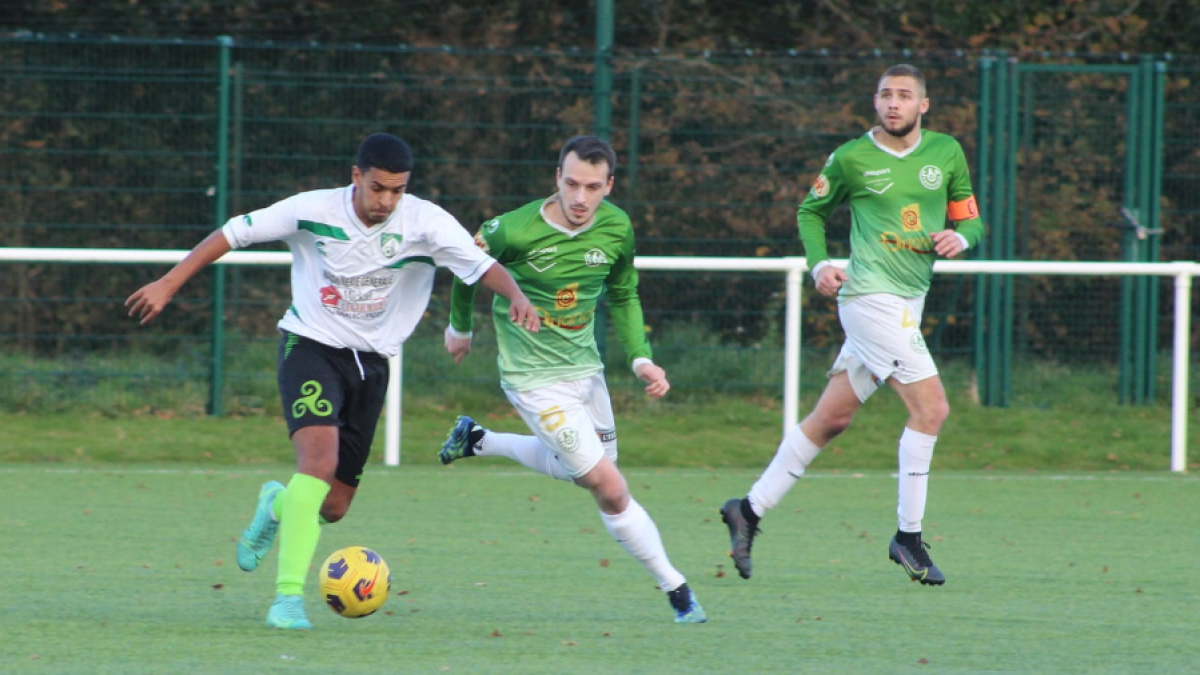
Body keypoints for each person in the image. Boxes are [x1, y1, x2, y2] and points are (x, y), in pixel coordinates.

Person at [125, 133, 540, 630]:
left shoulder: (426, 222)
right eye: (377, 188)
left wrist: (517, 296)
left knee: (334, 506)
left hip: (372, 365)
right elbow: (233, 233)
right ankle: (286, 600)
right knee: (317, 465)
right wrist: (168, 282)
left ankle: (276, 505)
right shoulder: (313, 209)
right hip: (310, 346)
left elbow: (483, 266)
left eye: (397, 190)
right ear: (356, 176)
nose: (386, 201)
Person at [720, 64, 985, 586]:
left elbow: (970, 218)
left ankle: (747, 510)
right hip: (868, 298)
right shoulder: (851, 157)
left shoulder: (946, 152)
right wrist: (819, 264)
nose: (893, 103)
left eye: (904, 95)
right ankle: (908, 537)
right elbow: (810, 212)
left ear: (923, 105)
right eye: (886, 94)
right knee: (931, 408)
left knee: (832, 419)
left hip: (910, 301)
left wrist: (962, 237)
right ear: (875, 101)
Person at [437, 135, 706, 624]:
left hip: (586, 370)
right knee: (611, 487)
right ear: (557, 178)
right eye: (573, 184)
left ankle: (479, 440)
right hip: (532, 379)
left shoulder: (617, 227)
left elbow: (623, 293)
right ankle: (677, 589)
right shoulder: (511, 230)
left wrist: (641, 360)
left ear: (610, 186)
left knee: (592, 472)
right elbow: (465, 266)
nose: (581, 198)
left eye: (593, 187)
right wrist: (460, 327)